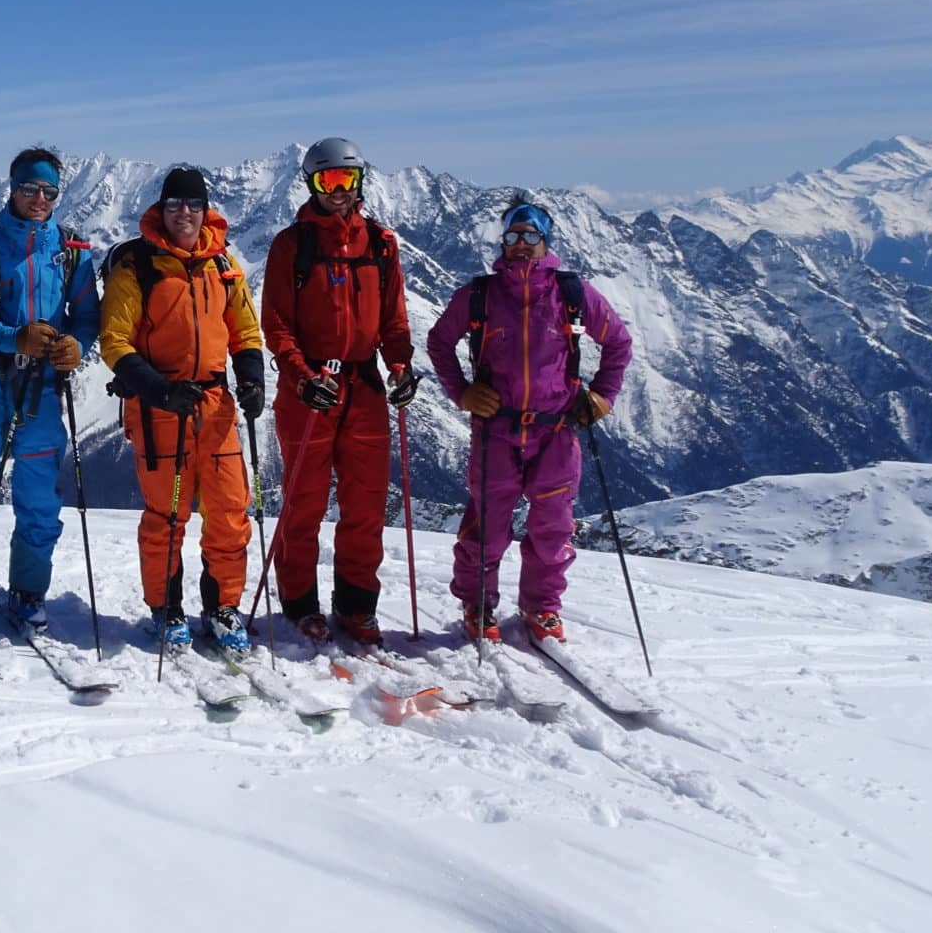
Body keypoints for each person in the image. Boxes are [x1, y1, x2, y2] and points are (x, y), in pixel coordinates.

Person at [424, 199, 632, 643]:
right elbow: (439, 342)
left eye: (530, 236)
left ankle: (542, 607)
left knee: (552, 527)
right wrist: (461, 392)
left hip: (556, 428)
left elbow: (618, 342)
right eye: (513, 237)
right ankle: (478, 604)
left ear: (545, 242)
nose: (520, 245)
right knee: (487, 524)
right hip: (495, 429)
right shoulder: (480, 294)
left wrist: (603, 396)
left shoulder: (572, 293)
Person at [97, 166, 267, 652]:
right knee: (167, 516)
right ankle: (166, 608)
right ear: (162, 209)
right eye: (174, 205)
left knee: (231, 511)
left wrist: (251, 377)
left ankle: (222, 607)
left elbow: (245, 331)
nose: (184, 214)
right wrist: (154, 389)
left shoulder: (222, 264)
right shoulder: (138, 266)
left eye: (193, 205)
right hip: (159, 409)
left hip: (215, 406)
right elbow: (115, 340)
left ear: (206, 210)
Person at [259, 137, 419, 647]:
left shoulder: (381, 243)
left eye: (347, 180)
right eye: (328, 181)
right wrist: (304, 376)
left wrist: (400, 366)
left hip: (365, 386)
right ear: (311, 184)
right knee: (303, 503)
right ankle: (300, 603)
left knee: (365, 505)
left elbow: (393, 318)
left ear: (360, 183)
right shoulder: (293, 245)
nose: (338, 191)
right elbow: (277, 322)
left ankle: (356, 606)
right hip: (310, 390)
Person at [0, 147, 100, 633]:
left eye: (49, 191)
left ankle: (29, 590)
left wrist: (76, 345)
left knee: (38, 496)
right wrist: (12, 338)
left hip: (43, 387)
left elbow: (88, 316)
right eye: (30, 189)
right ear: (11, 189)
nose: (39, 199)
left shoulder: (71, 252)